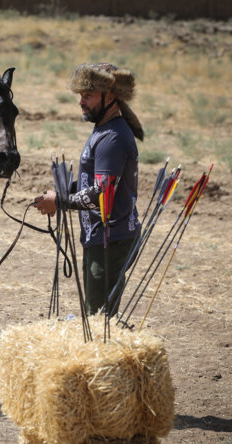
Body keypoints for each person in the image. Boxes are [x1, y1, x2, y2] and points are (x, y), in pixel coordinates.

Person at [34, 63, 144, 316]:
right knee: (96, 314)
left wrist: (60, 202)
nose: (81, 102)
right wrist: (61, 193)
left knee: (99, 319)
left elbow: (101, 195)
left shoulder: (112, 138)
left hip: (110, 239)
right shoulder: (103, 130)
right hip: (101, 238)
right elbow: (92, 184)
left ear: (111, 96)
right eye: (81, 95)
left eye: (88, 95)